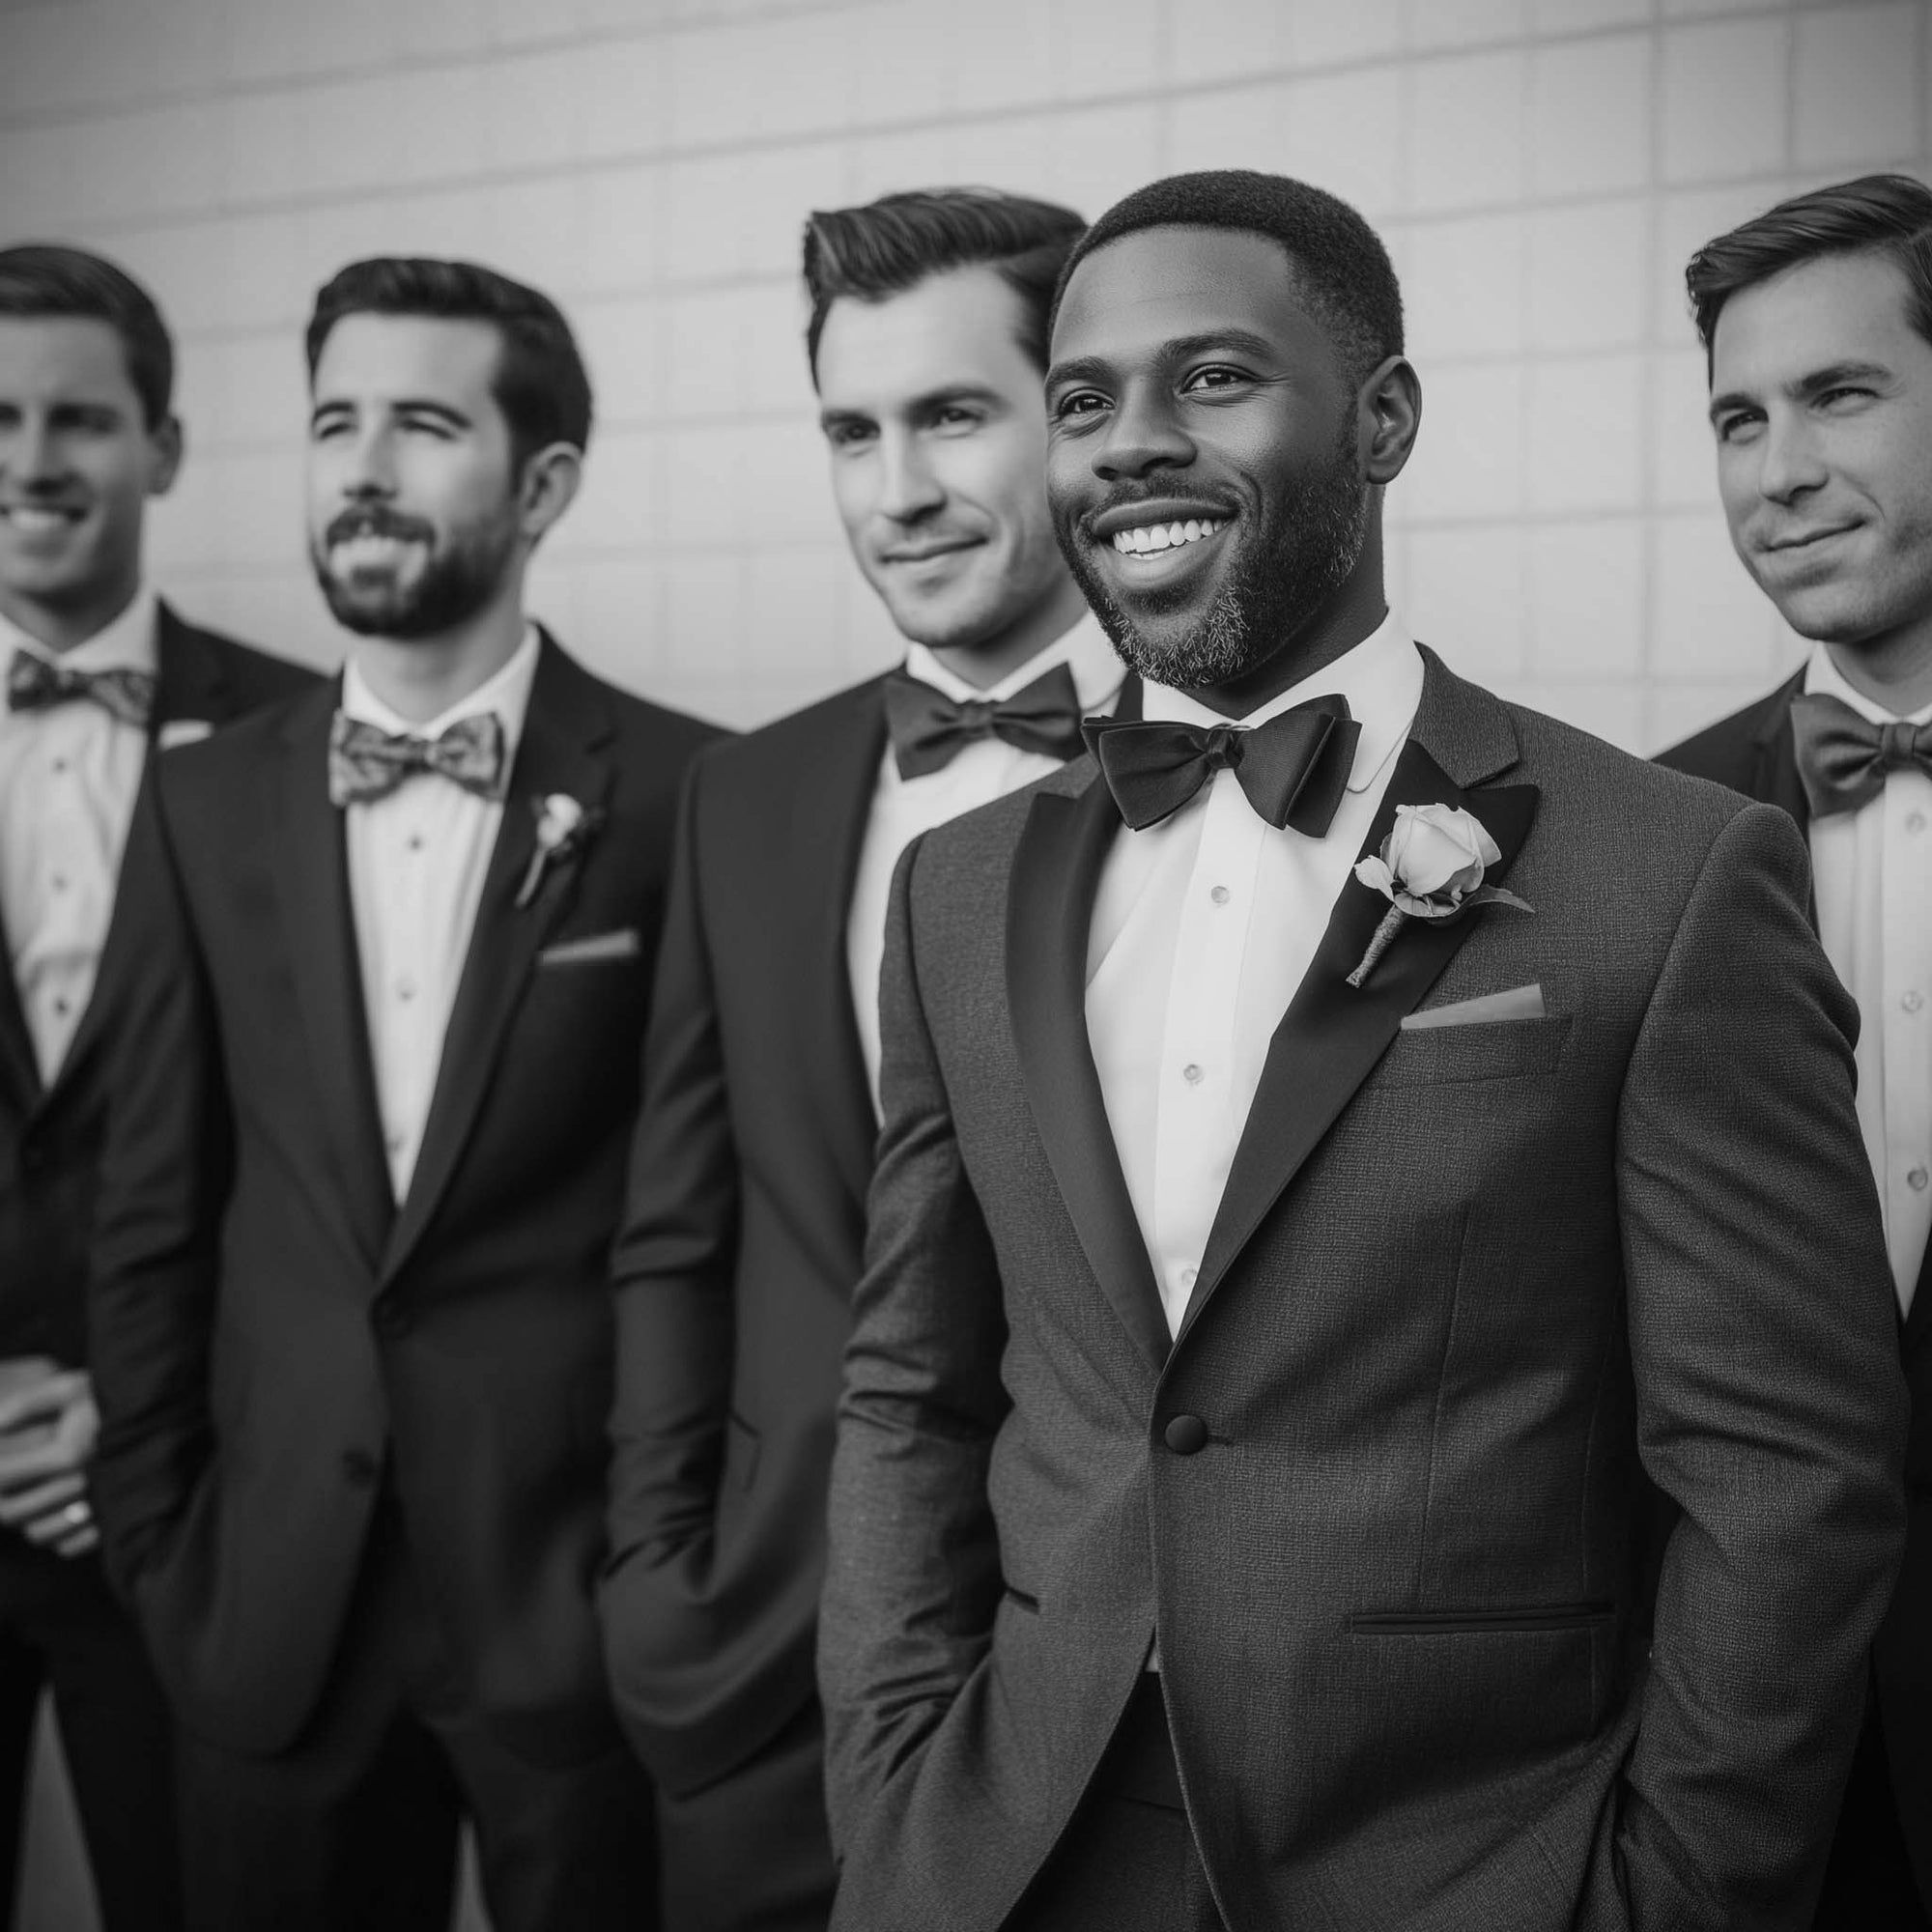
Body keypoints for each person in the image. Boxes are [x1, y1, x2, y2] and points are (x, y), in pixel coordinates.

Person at [816, 168, 1910, 1932]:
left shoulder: (1667, 873)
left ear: (1384, 418)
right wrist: (890, 1792)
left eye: (1214, 379)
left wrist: (1669, 1897)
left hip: (1469, 1864)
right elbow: (909, 1391)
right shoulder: (955, 893)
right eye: (1085, 402)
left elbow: (1784, 1470)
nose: (1133, 445)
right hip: (1008, 1850)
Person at [85, 256, 721, 1932]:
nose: (362, 467)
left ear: (544, 483)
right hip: (262, 1603)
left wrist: (654, 1579)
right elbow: (157, 1199)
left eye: (424, 424)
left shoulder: (690, 794)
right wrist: (161, 1542)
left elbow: (702, 1220)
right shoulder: (202, 804)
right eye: (333, 423)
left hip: (568, 1615)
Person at [599, 186, 1122, 1932]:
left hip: (1120, 1673)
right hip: (758, 1662)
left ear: (1082, 414)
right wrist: (659, 1579)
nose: (895, 492)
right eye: (850, 430)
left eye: (953, 416)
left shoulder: (1240, 771)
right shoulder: (741, 796)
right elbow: (682, 1221)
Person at [0, 242, 314, 1930]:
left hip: (174, 1484)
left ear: (164, 449)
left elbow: (320, 1146)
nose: (34, 459)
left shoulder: (300, 734)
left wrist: (130, 1408)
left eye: (79, 418)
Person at [1658, 172, 1932, 1931]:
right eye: (1738, 419)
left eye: (1841, 395)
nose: (1776, 473)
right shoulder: (1659, 826)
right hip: (1770, 1765)